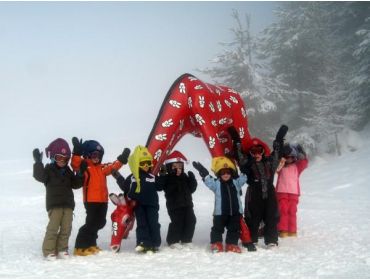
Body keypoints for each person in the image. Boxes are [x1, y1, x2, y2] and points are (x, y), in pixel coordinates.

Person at [71, 137, 130, 256]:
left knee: (100, 222)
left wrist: (122, 159)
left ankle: (91, 244)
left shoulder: (102, 168)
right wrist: (76, 152)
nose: (96, 157)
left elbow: (113, 166)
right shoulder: (85, 167)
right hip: (91, 201)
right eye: (93, 154)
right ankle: (80, 247)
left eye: (98, 155)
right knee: (91, 223)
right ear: (87, 155)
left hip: (103, 201)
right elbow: (75, 164)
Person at [230, 125, 287, 248]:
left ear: (263, 151)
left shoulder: (270, 162)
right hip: (254, 192)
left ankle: (271, 240)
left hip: (269, 192)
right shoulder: (247, 163)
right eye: (253, 151)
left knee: (271, 215)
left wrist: (279, 138)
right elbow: (239, 155)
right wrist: (236, 139)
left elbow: (277, 152)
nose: (257, 154)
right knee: (252, 216)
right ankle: (251, 238)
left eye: (259, 151)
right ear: (250, 153)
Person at [33, 138, 85, 261]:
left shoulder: (68, 171)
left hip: (67, 204)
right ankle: (49, 250)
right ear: (52, 157)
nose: (62, 161)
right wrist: (38, 162)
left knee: (67, 228)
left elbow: (76, 184)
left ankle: (62, 249)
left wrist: (81, 173)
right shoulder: (48, 170)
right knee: (53, 227)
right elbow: (39, 176)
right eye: (59, 158)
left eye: (65, 159)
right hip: (54, 204)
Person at [192, 156, 247, 253]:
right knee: (217, 229)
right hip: (220, 213)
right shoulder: (216, 184)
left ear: (231, 173)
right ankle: (216, 243)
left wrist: (243, 166)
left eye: (228, 172)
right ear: (219, 174)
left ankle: (231, 244)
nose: (226, 175)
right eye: (223, 173)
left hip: (235, 212)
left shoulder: (236, 183)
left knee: (234, 229)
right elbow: (208, 181)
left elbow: (244, 177)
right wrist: (203, 172)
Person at [121, 145, 162, 254]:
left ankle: (154, 243)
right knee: (142, 223)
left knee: (153, 223)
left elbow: (161, 186)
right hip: (138, 205)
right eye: (143, 163)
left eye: (148, 163)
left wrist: (163, 174)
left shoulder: (152, 177)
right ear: (137, 164)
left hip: (152, 205)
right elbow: (125, 187)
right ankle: (143, 242)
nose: (146, 166)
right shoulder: (133, 177)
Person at [159, 150, 197, 249]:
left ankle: (186, 239)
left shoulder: (184, 176)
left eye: (180, 166)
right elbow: (163, 188)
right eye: (175, 166)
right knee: (177, 222)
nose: (178, 169)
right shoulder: (168, 178)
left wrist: (192, 180)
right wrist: (165, 175)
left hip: (187, 204)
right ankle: (173, 240)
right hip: (174, 205)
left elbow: (191, 189)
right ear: (169, 167)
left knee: (191, 220)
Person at [275, 143, 308, 237]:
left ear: (294, 157)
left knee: (292, 211)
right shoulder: (281, 167)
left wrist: (302, 153)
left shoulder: (297, 167)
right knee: (283, 210)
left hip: (293, 192)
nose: (289, 159)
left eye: (291, 157)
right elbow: (275, 167)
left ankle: (292, 230)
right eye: (287, 157)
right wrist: (281, 155)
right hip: (282, 192)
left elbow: (304, 163)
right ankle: (282, 230)